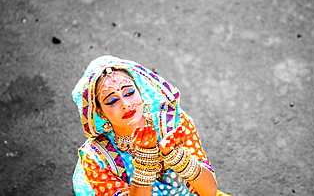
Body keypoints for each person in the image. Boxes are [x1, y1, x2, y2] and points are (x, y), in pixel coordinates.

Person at [71, 55, 230, 196]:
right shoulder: (96, 156)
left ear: (140, 93)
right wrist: (145, 160)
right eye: (112, 101)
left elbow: (209, 192)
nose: (126, 104)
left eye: (129, 93)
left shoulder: (174, 124)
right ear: (100, 112)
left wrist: (176, 156)